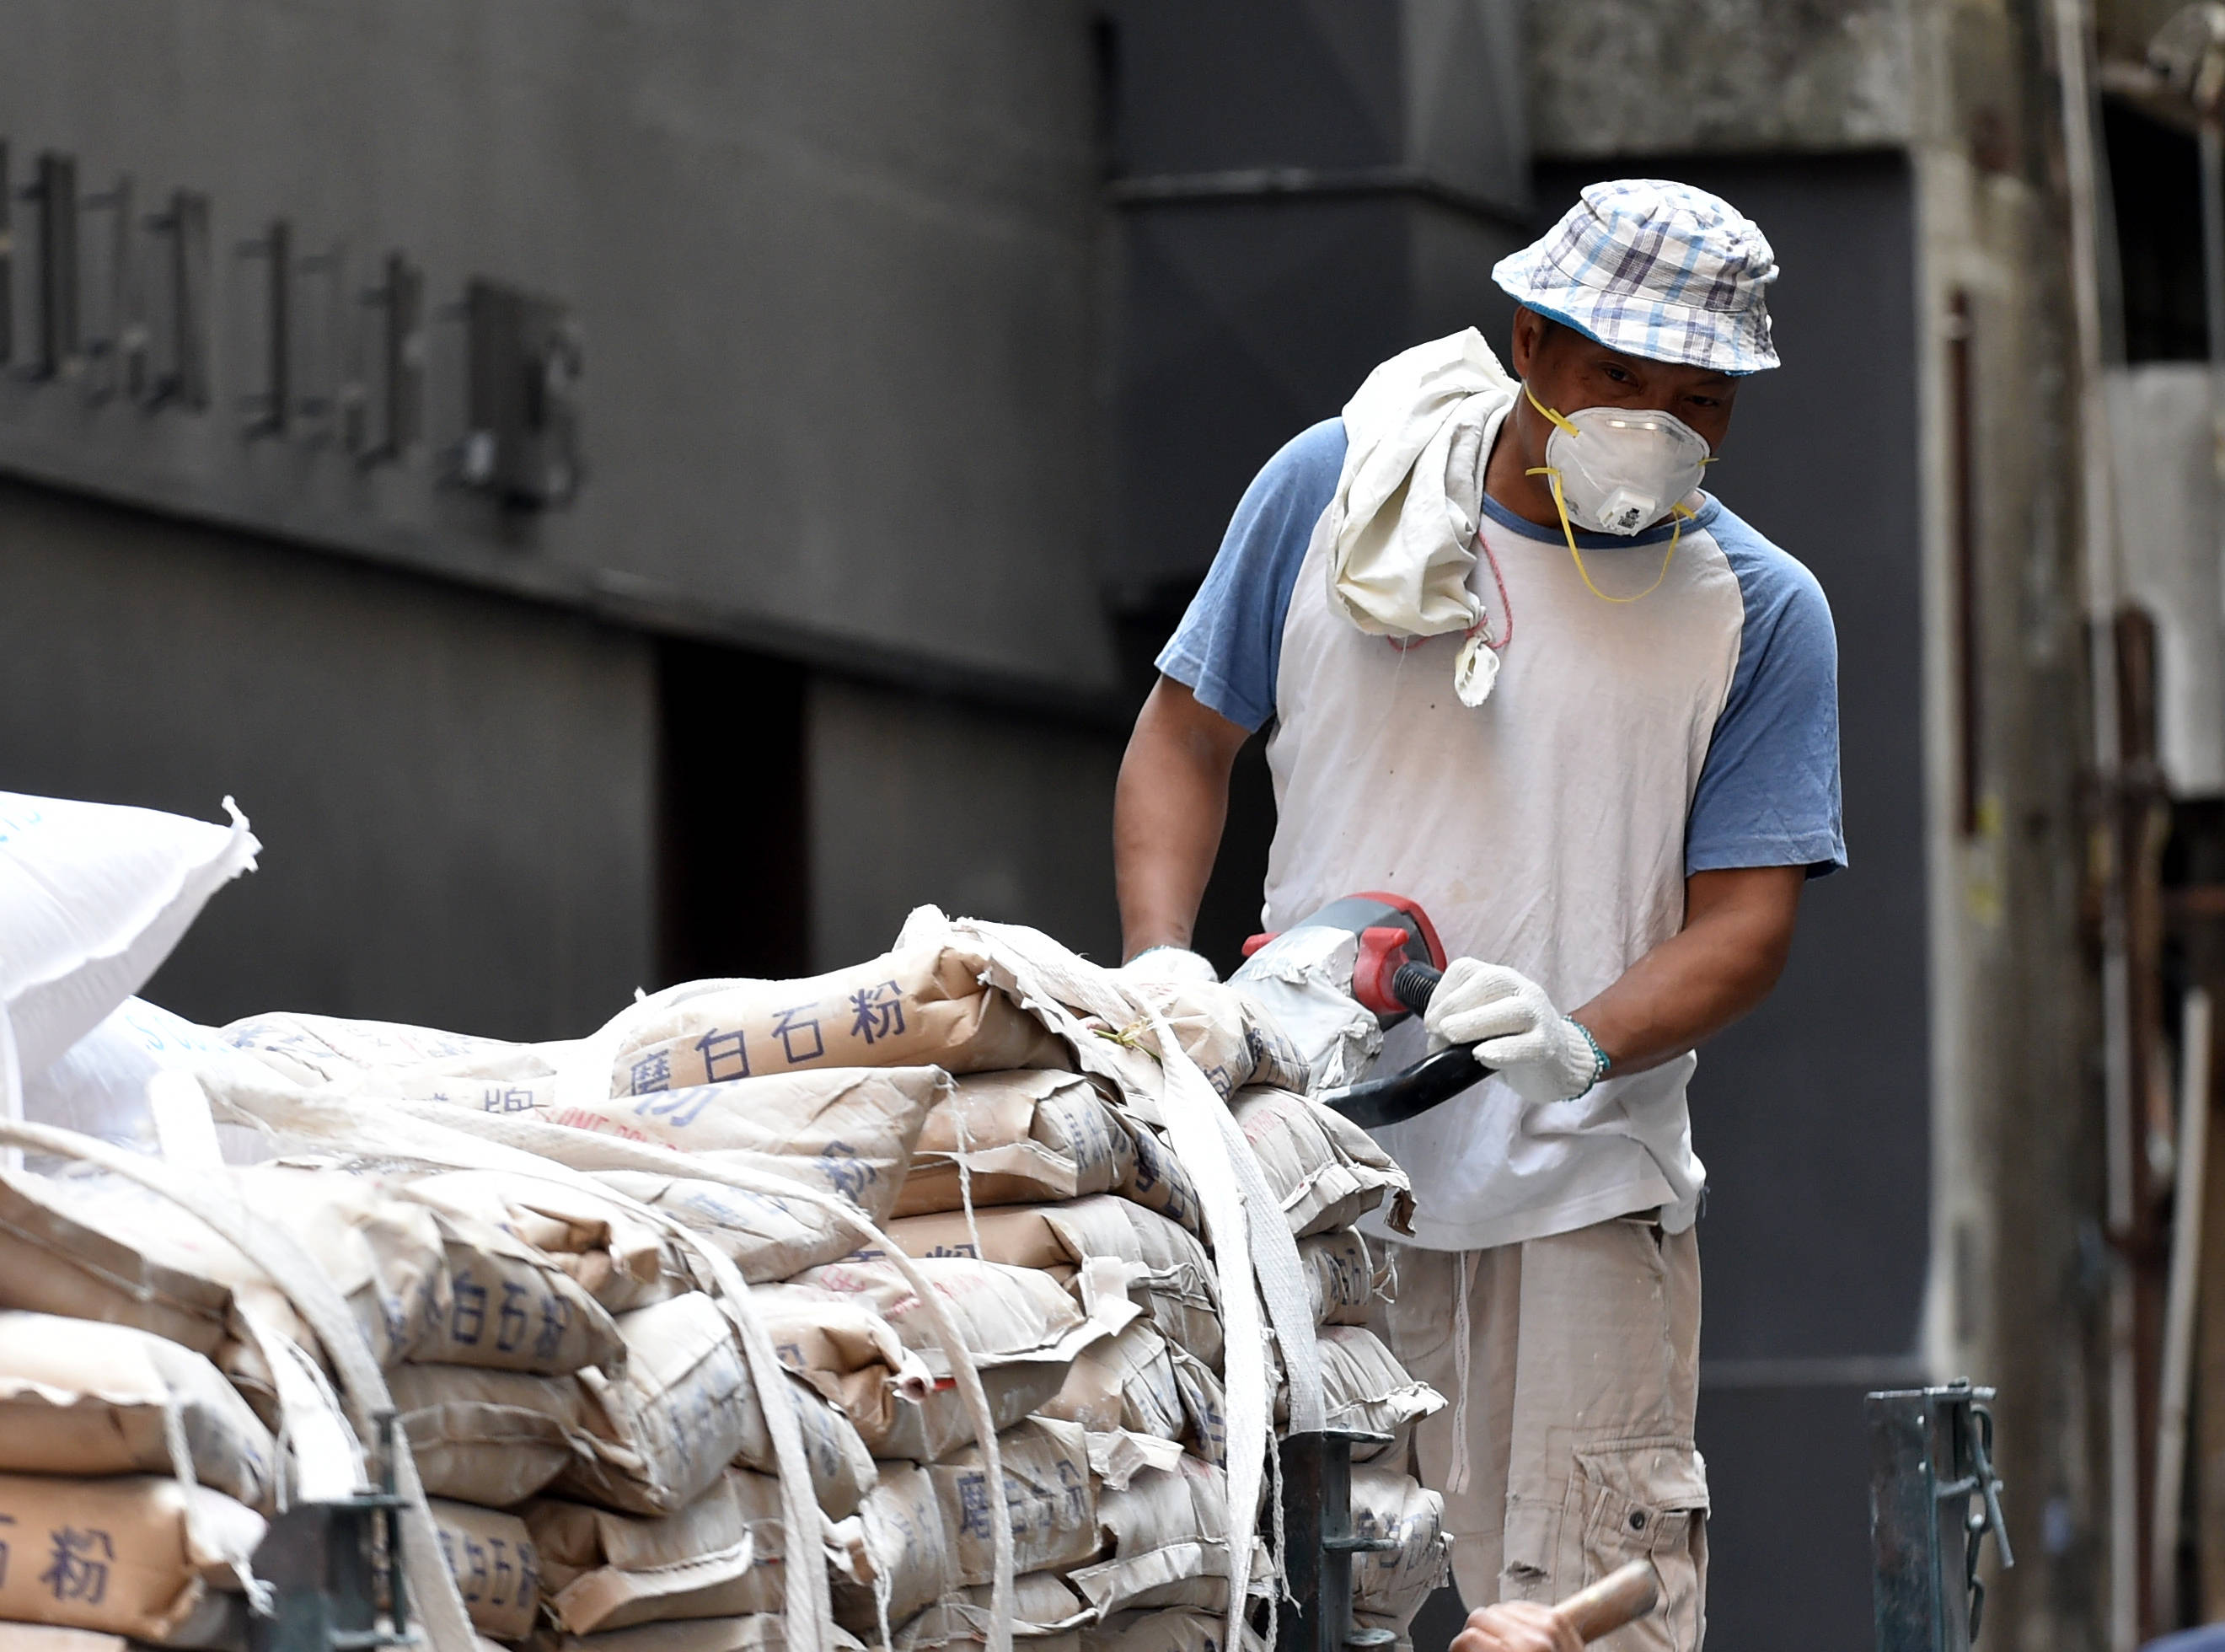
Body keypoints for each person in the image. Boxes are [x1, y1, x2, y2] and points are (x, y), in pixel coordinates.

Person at [1112, 180, 1842, 1649]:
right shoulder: (1337, 493)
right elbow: (1185, 739)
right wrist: (1160, 980)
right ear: (1531, 343)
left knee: (1582, 1615)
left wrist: (1580, 1040)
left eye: (1699, 397)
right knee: (1297, 1602)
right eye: (1619, 377)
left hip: (1580, 1198)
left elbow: (1746, 924)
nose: (1658, 422)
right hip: (1315, 1184)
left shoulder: (1754, 609)